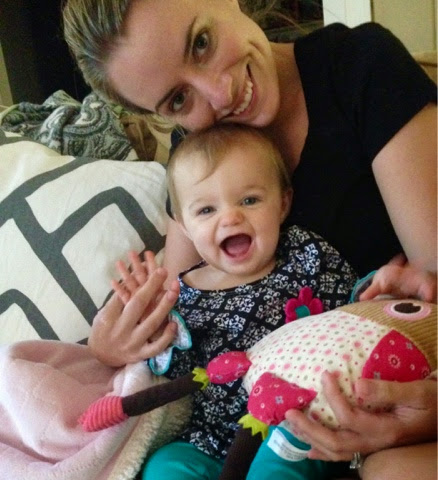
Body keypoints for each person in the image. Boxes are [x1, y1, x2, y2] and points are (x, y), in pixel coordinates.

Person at [62, 0, 437, 478]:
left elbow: (433, 278)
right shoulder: (196, 152)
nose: (220, 94)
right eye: (178, 101)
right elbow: (174, 303)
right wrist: (112, 347)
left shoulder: (360, 66)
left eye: (202, 43)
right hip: (233, 431)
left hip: (377, 401)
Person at [110, 124, 359, 480]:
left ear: (283, 204)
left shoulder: (306, 254)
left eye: (249, 200)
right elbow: (176, 374)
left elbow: (354, 313)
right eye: (206, 210)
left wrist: (375, 289)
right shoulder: (182, 293)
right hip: (212, 441)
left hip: (296, 420)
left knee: (280, 462)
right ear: (184, 226)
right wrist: (154, 328)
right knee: (165, 466)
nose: (230, 217)